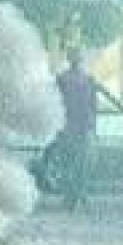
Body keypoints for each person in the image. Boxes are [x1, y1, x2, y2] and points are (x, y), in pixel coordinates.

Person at [47, 48, 98, 207]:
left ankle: (74, 195)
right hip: (75, 128)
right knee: (77, 164)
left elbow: (92, 106)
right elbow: (93, 107)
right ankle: (76, 195)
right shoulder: (85, 80)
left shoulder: (64, 79)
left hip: (72, 128)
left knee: (72, 164)